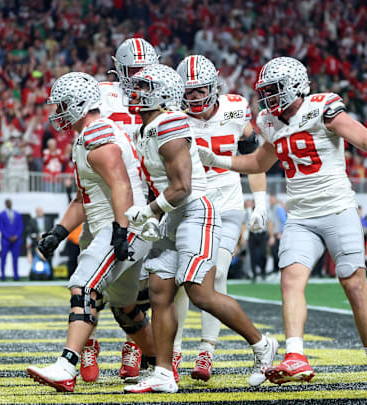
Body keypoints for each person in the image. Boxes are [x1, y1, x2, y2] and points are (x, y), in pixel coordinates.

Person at [197, 57, 367, 389]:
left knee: (355, 287)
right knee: (290, 281)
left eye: (274, 90)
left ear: (295, 86)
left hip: (338, 210)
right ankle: (295, 354)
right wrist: (218, 159)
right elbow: (258, 161)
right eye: (265, 91)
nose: (268, 98)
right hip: (301, 216)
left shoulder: (323, 108)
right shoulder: (268, 120)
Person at [122, 63, 277, 394]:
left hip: (197, 212)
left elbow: (183, 187)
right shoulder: (145, 128)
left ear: (162, 95)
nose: (135, 94)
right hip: (172, 214)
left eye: (145, 89)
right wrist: (152, 215)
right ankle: (164, 371)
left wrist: (149, 211)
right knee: (160, 292)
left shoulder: (170, 124)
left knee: (200, 291)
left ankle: (262, 344)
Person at [26, 72, 157, 393]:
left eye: (62, 105)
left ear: (78, 104)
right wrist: (59, 231)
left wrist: (121, 230)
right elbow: (85, 197)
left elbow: (121, 185)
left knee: (82, 286)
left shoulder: (97, 133)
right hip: (124, 225)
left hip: (125, 226)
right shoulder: (88, 135)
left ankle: (66, 366)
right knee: (126, 308)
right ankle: (159, 367)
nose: (57, 112)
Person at [172, 54, 270, 382]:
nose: (194, 98)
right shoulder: (174, 116)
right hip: (191, 204)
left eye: (200, 91)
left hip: (226, 202)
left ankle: (207, 351)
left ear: (214, 87)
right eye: (189, 92)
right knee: (183, 282)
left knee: (216, 274)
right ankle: (173, 352)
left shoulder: (234, 108)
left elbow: (252, 153)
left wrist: (259, 201)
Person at [85, 37, 159, 382]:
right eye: (133, 71)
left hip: (149, 196)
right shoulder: (101, 93)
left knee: (148, 280)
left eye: (145, 71)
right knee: (91, 269)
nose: (139, 78)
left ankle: (137, 344)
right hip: (106, 195)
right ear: (118, 69)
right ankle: (88, 342)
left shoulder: (164, 91)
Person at [0, 199, 24, 281]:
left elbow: (20, 226)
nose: (9, 204)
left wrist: (16, 236)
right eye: (8, 203)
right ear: (6, 204)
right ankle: (3, 275)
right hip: (6, 240)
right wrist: (8, 236)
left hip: (16, 241)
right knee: (3, 258)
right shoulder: (1, 215)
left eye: (10, 203)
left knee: (15, 259)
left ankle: (16, 275)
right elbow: (1, 227)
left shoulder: (17, 214)